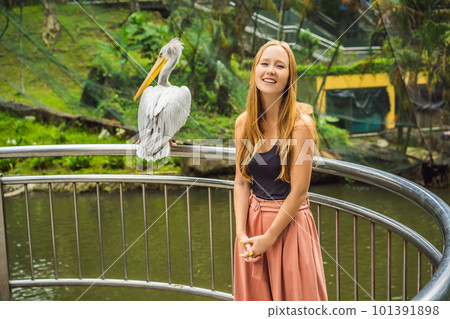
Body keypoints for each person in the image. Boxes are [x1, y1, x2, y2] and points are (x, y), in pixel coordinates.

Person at [233, 40, 328, 301]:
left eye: (279, 66)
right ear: (255, 71)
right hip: (252, 227)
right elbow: (241, 183)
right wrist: (242, 233)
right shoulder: (243, 123)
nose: (270, 70)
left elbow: (299, 192)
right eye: (264, 64)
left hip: (289, 227)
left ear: (290, 77)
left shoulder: (302, 126)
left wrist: (269, 237)